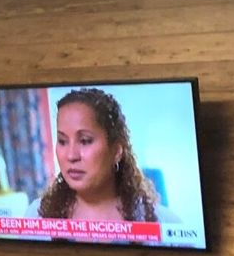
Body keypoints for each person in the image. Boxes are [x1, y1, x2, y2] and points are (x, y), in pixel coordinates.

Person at [33, 87, 164, 223]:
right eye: (62, 141)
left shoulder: (159, 222)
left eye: (85, 141)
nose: (71, 156)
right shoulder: (37, 215)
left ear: (116, 151)